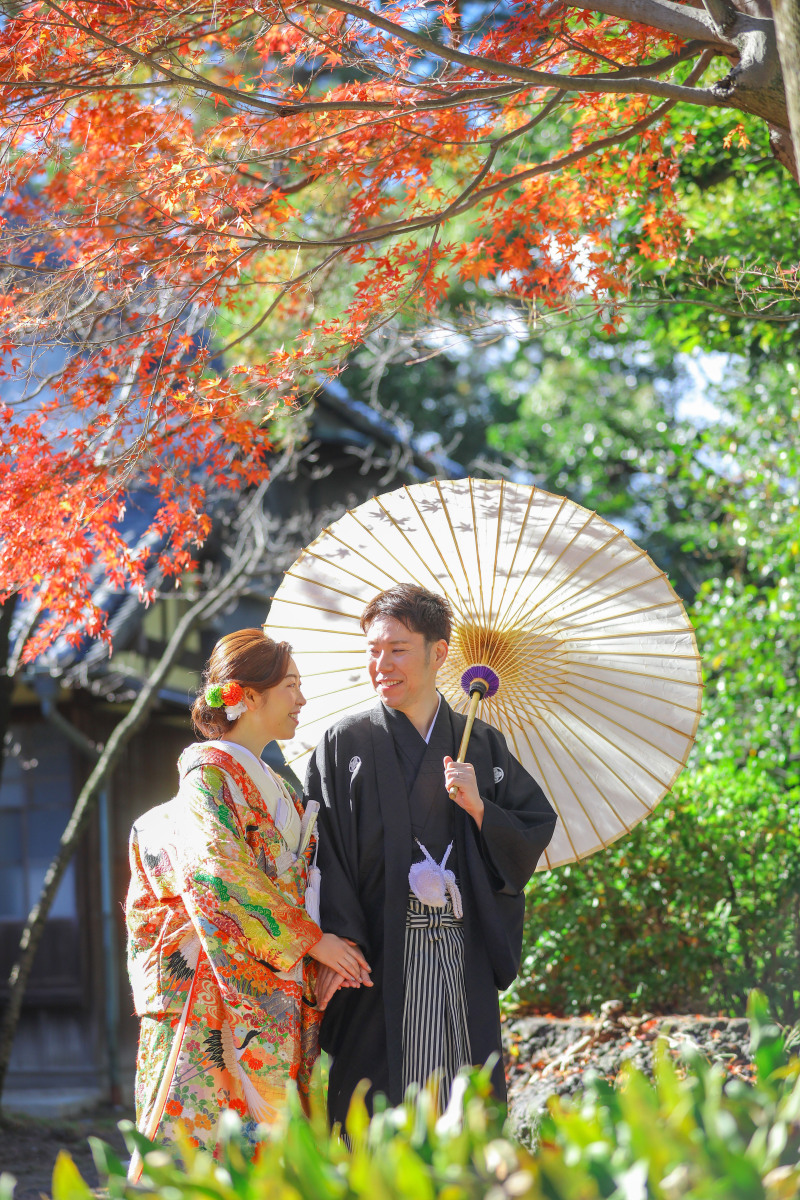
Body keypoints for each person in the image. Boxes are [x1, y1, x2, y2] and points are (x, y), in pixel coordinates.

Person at [306, 585, 558, 1128]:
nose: (381, 665)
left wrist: (480, 808)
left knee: (465, 1105)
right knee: (377, 1113)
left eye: (397, 649)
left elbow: (533, 827)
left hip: (463, 950)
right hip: (377, 958)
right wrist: (343, 941)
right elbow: (323, 852)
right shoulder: (344, 744)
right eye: (373, 650)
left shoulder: (482, 744)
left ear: (438, 653)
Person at [125, 629, 371, 1162]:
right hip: (213, 987)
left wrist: (326, 946)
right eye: (291, 686)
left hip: (275, 978)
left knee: (268, 1150)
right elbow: (218, 872)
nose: (302, 699)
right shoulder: (208, 775)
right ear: (249, 696)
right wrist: (311, 941)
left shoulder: (278, 786)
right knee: (205, 1140)